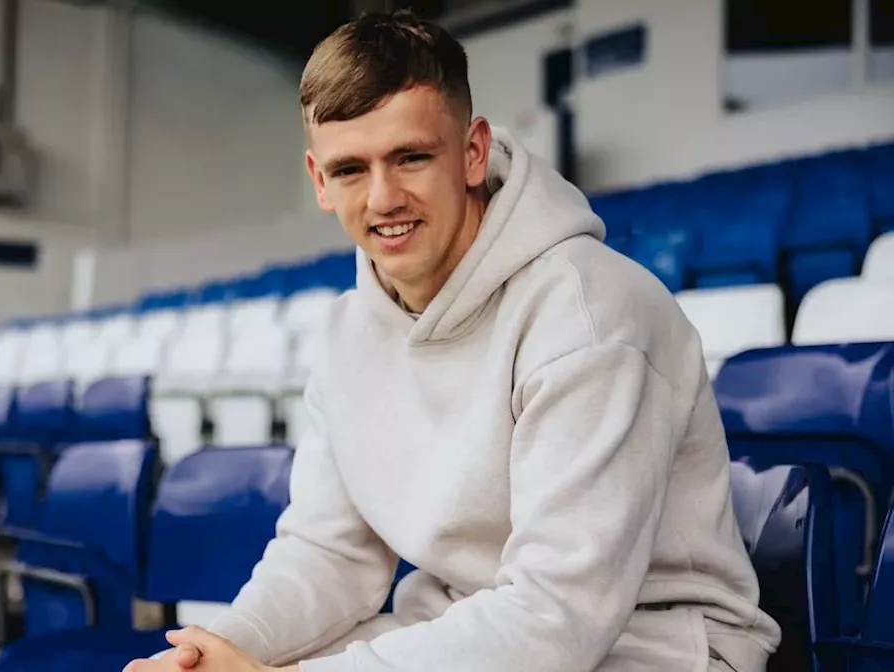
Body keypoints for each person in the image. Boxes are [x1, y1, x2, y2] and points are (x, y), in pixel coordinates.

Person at [127, 10, 780, 672]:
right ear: (319, 181)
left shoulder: (589, 313)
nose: (384, 198)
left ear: (471, 151)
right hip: (469, 623)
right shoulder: (347, 332)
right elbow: (331, 552)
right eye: (351, 169)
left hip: (658, 647)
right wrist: (224, 650)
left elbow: (557, 618)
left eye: (410, 157)